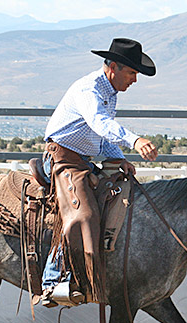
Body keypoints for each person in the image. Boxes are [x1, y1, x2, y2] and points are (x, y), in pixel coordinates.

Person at [40, 38, 159, 308]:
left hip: (80, 161)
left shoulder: (109, 93)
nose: (134, 80)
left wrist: (119, 158)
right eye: (132, 73)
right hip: (62, 159)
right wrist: (135, 141)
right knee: (84, 214)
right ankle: (52, 282)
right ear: (113, 67)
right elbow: (99, 123)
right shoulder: (88, 89)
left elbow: (100, 136)